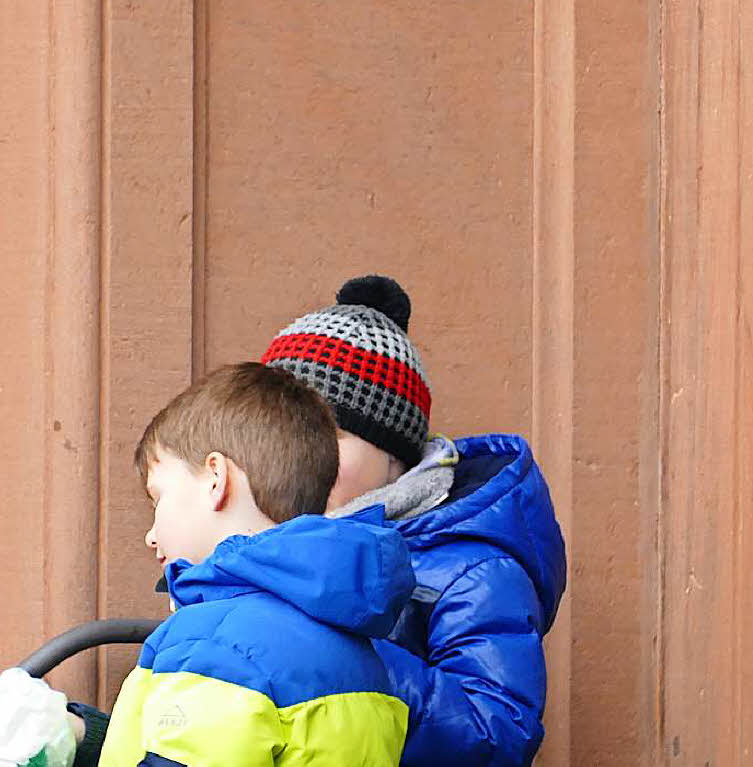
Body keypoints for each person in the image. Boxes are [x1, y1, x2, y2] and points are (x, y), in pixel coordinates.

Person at [259, 275, 567, 767]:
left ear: (394, 453)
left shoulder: (471, 569)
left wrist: (341, 659)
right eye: (282, 436)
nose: (300, 457)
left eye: (329, 436)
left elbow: (498, 732)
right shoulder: (254, 546)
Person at [92, 362, 415, 766]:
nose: (151, 535)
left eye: (158, 499)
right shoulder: (360, 651)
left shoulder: (214, 640)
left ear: (215, 478)